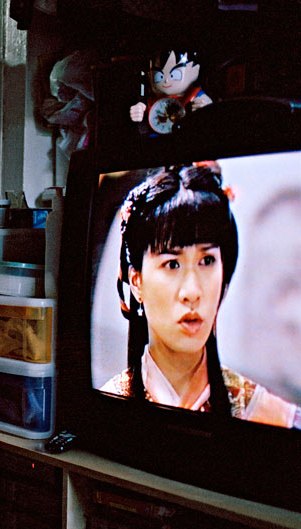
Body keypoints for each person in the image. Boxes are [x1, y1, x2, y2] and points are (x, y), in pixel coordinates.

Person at [100, 162, 300, 429]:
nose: (192, 292)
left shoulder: (269, 413)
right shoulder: (108, 405)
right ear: (137, 282)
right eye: (172, 264)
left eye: (207, 261)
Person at [129, 49, 212, 135]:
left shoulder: (195, 94)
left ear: (195, 71)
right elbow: (143, 112)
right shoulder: (151, 97)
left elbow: (211, 111)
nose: (166, 80)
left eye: (175, 75)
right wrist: (139, 110)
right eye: (159, 76)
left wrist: (203, 108)